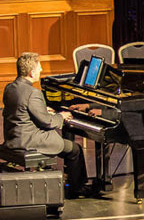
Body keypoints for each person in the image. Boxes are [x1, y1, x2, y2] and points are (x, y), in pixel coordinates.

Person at [2, 52, 93, 198]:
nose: (41, 70)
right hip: (29, 141)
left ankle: (70, 182)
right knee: (74, 149)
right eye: (39, 67)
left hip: (14, 138)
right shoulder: (33, 93)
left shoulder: (10, 88)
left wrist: (43, 110)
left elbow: (22, 109)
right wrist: (60, 116)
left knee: (69, 146)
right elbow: (47, 122)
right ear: (32, 73)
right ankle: (77, 188)